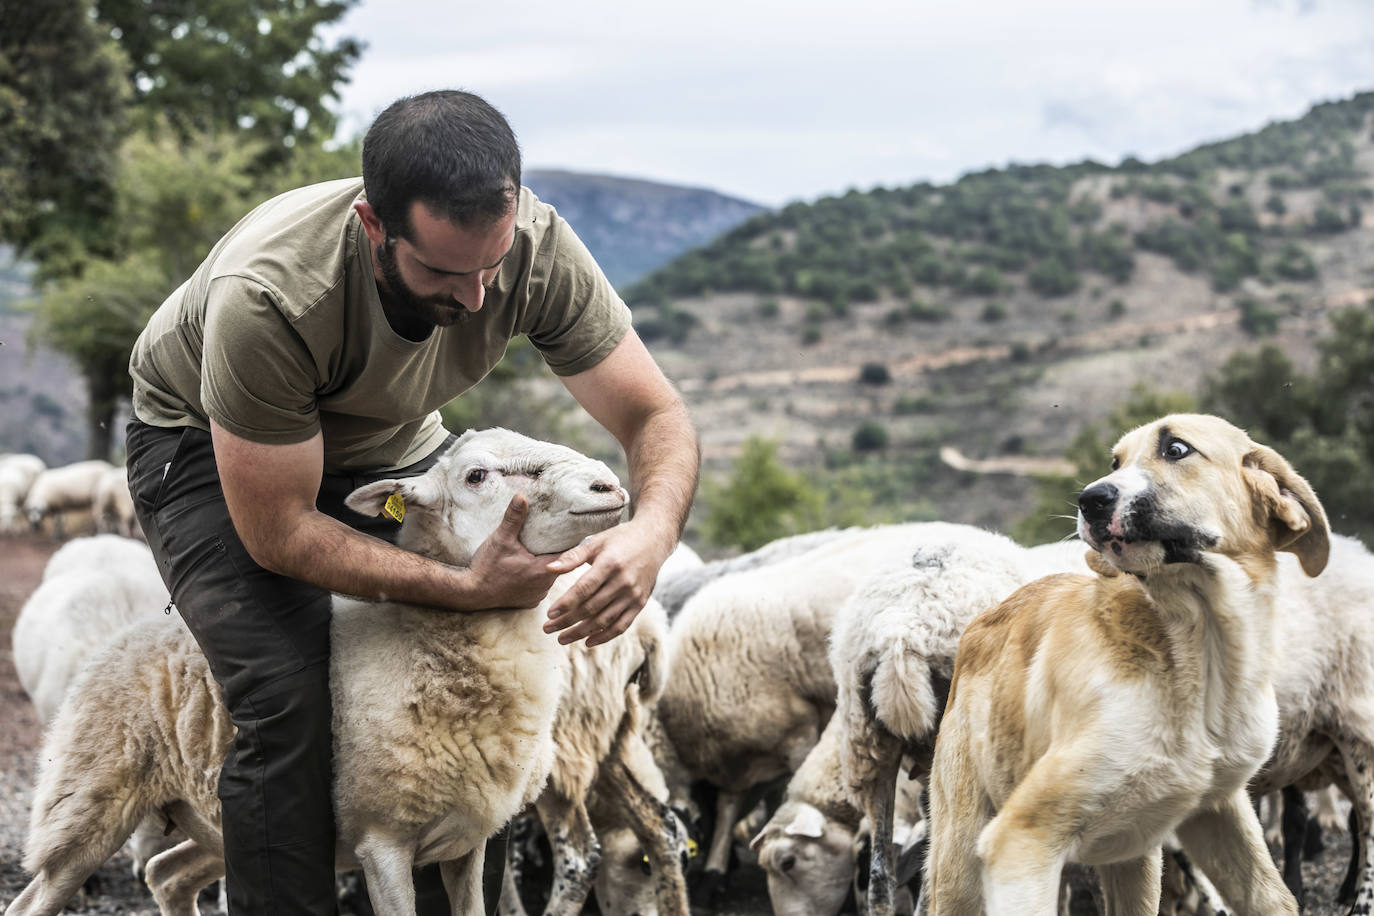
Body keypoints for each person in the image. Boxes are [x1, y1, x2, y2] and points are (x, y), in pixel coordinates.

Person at [124, 89, 699, 915]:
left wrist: (650, 535)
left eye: (491, 267)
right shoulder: (271, 297)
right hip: (211, 451)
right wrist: (464, 586)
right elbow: (281, 530)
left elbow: (655, 414)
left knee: (488, 683)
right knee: (284, 689)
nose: (474, 299)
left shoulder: (533, 248)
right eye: (440, 272)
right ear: (372, 226)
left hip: (389, 442)